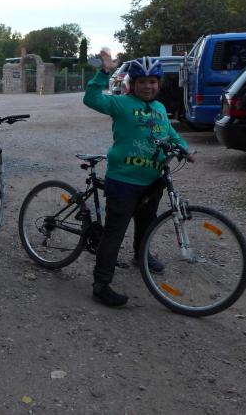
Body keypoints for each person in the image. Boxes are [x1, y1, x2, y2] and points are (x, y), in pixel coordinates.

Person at [82, 55, 195, 307]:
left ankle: (141, 255)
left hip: (152, 180)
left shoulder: (160, 108)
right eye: (142, 82)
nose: (147, 86)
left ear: (159, 83)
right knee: (115, 233)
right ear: (132, 84)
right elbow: (91, 99)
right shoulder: (121, 103)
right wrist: (104, 73)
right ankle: (101, 285)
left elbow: (171, 134)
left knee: (146, 223)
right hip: (123, 179)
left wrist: (185, 149)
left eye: (152, 81)